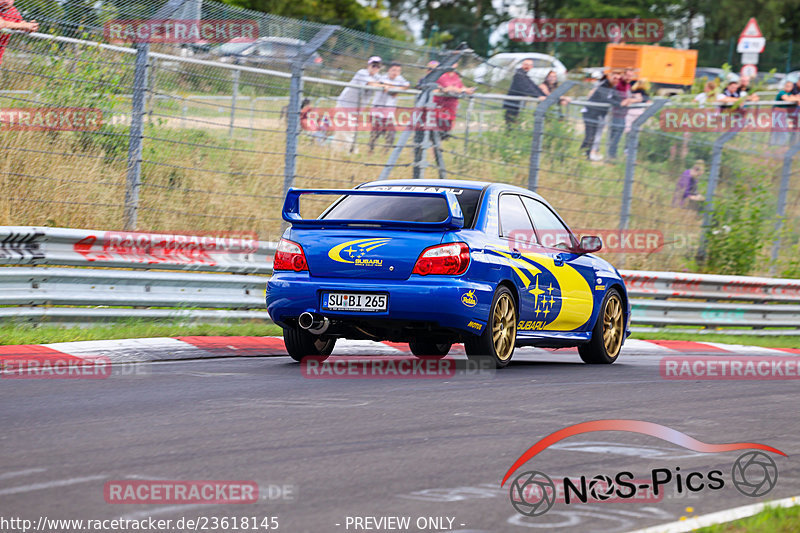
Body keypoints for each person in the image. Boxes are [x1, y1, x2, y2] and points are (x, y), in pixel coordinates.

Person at [333, 56, 382, 152]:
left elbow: (387, 83)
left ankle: (337, 151)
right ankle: (352, 152)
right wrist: (383, 86)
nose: (375, 68)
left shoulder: (377, 77)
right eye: (373, 65)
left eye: (377, 66)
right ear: (368, 65)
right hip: (345, 105)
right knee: (347, 131)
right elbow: (371, 84)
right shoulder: (362, 73)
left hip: (356, 109)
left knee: (344, 132)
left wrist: (384, 85)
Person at [580, 70, 622, 161]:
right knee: (590, 135)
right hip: (590, 113)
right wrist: (619, 104)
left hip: (599, 114)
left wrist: (621, 102)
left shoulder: (613, 88)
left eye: (618, 79)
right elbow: (605, 99)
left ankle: (586, 154)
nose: (616, 80)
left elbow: (617, 99)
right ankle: (584, 154)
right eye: (615, 78)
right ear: (610, 77)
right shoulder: (603, 86)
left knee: (594, 136)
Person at [368, 62, 409, 153]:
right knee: (376, 133)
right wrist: (385, 86)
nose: (396, 72)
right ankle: (370, 151)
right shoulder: (381, 77)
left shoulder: (400, 79)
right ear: (389, 70)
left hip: (389, 112)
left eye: (398, 71)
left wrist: (395, 89)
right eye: (394, 70)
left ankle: (385, 152)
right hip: (377, 110)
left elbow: (407, 85)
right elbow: (375, 83)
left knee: (391, 133)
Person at [428, 60, 474, 140]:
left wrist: (467, 89)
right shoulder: (441, 74)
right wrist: (461, 90)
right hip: (439, 109)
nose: (452, 65)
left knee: (443, 137)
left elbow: (460, 87)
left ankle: (436, 150)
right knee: (434, 136)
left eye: (454, 63)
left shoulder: (456, 76)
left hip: (451, 110)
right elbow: (448, 89)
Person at [503, 59, 546, 129]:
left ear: (532, 67)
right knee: (511, 124)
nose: (527, 66)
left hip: (517, 104)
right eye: (526, 64)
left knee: (515, 123)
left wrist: (544, 96)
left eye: (529, 65)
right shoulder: (519, 75)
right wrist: (538, 96)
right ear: (522, 65)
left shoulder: (524, 75)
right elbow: (525, 88)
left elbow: (533, 86)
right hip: (512, 104)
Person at [607, 67, 635, 160]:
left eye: (631, 76)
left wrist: (632, 99)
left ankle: (612, 154)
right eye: (627, 75)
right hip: (616, 113)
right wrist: (620, 103)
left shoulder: (628, 85)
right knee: (615, 134)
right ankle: (611, 155)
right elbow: (611, 98)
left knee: (617, 135)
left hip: (623, 114)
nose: (629, 78)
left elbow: (628, 97)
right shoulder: (618, 85)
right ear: (623, 75)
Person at [0, 0, 39, 66]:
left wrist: (31, 26)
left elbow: (20, 24)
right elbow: (1, 24)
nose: (6, 1)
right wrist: (24, 26)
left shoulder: (13, 11)